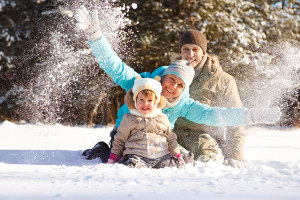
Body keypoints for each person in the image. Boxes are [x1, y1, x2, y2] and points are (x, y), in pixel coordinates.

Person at [74, 5, 281, 165]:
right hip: (126, 135)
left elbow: (214, 114)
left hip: (155, 142)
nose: (173, 87)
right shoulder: (142, 83)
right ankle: (101, 149)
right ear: (164, 77)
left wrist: (251, 116)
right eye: (171, 80)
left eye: (180, 85)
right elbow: (114, 66)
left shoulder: (184, 103)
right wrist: (95, 37)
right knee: (121, 157)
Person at [170, 30, 246, 168]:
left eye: (195, 49)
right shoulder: (169, 75)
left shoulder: (223, 80)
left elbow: (235, 119)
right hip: (171, 134)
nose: (190, 54)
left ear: (203, 52)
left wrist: (235, 156)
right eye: (185, 49)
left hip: (204, 138)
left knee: (209, 164)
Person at [107, 75, 185, 169]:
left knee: (175, 165)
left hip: (161, 156)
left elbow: (171, 138)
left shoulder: (162, 118)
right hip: (137, 156)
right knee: (131, 166)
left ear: (156, 102)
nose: (145, 103)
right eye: (141, 100)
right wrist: (114, 156)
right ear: (135, 101)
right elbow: (120, 139)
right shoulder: (129, 119)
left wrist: (177, 154)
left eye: (150, 100)